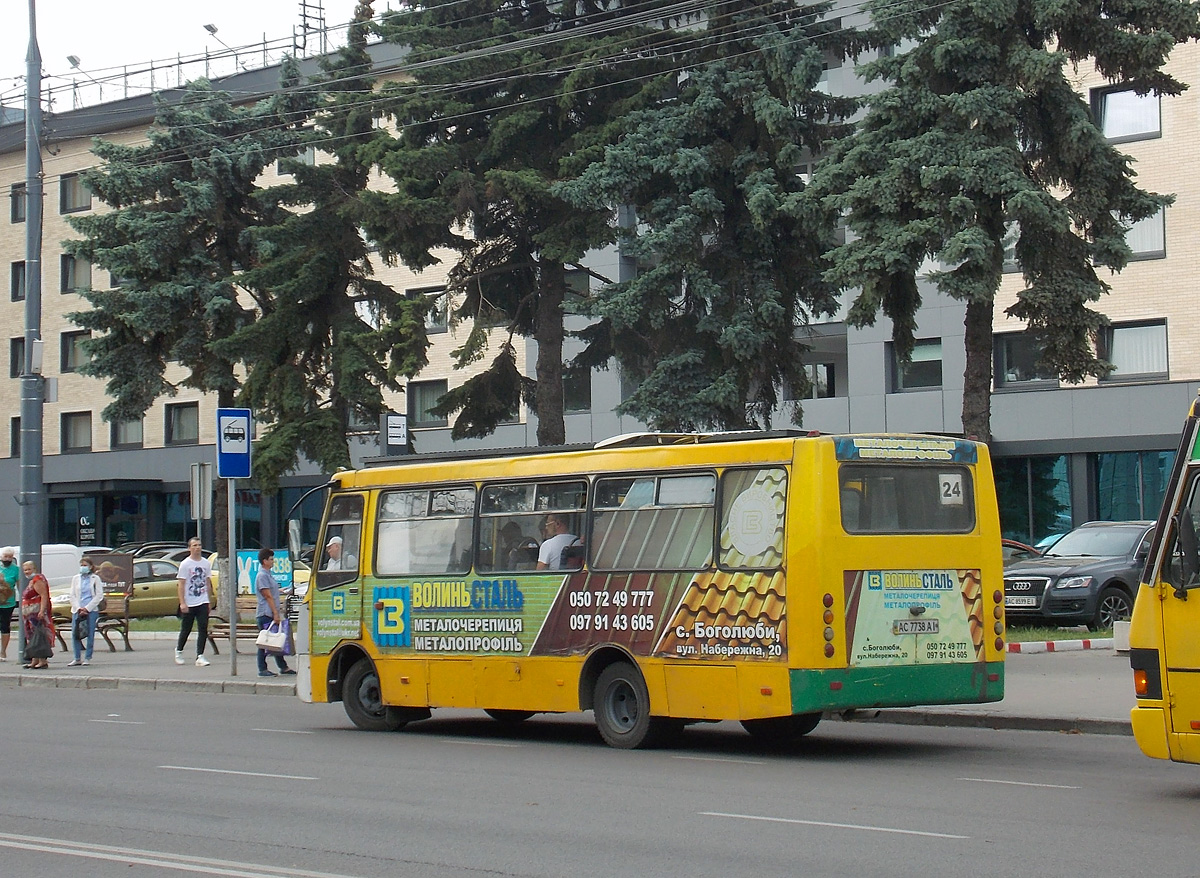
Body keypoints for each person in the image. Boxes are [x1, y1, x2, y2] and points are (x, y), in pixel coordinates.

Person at [255, 547, 295, 678]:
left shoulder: (268, 574)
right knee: (266, 642)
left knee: (275, 641)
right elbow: (267, 596)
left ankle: (283, 667)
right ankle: (262, 668)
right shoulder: (262, 576)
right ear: (264, 561)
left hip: (271, 612)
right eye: (271, 559)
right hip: (265, 613)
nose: (273, 562)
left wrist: (282, 591)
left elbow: (272, 592)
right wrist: (275, 613)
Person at [176, 537, 214, 667]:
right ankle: (179, 650)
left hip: (202, 600)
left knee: (203, 628)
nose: (197, 547)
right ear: (189, 548)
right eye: (194, 545)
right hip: (189, 601)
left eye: (199, 545)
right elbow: (181, 584)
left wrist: (209, 600)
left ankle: (200, 656)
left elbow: (207, 582)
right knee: (186, 628)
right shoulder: (185, 564)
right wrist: (182, 602)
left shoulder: (205, 563)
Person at [66, 556, 102, 667]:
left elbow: (99, 595)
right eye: (81, 565)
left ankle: (87, 657)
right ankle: (77, 658)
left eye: (85, 565)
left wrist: (87, 608)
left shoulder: (95, 579)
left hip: (91, 610)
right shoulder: (76, 578)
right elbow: (72, 595)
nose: (83, 567)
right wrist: (78, 608)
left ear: (91, 567)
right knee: (75, 633)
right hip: (77, 610)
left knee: (90, 633)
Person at [20, 559, 53, 669]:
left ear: (34, 569)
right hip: (30, 614)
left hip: (36, 613)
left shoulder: (38, 579)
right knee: (31, 636)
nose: (27, 572)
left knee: (38, 636)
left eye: (29, 569)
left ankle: (42, 660)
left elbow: (43, 595)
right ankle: (34, 660)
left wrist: (42, 611)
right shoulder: (33, 580)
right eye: (25, 570)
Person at [0, 546, 18, 661]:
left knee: (5, 626)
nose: (7, 559)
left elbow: (20, 585)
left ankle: (3, 652)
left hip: (8, 602)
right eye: (5, 556)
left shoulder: (16, 569)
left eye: (10, 557)